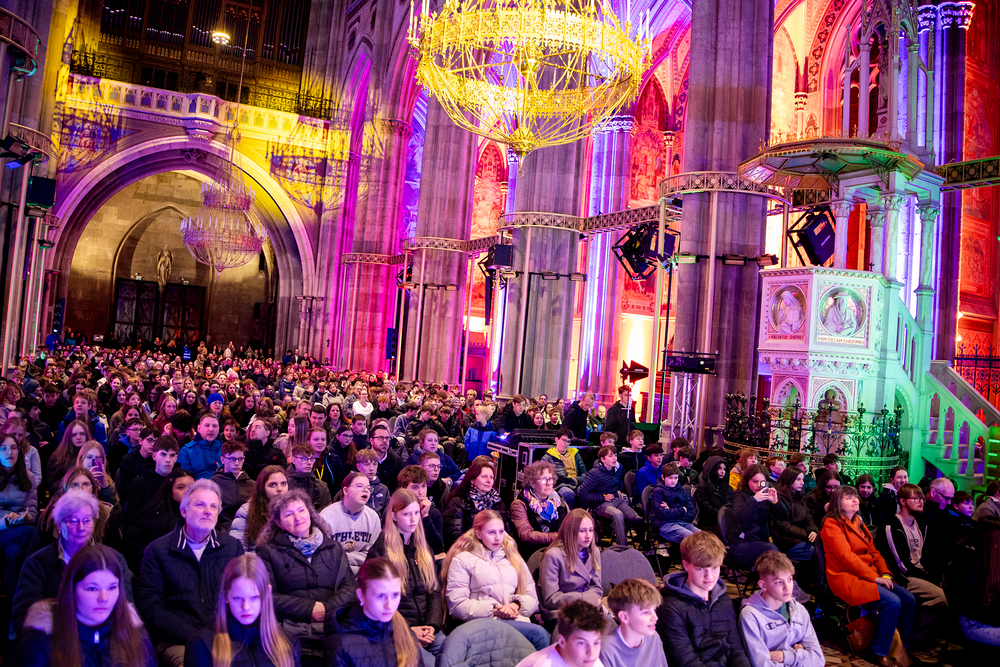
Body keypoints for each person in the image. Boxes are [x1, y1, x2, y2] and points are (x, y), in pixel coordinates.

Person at [136, 478, 245, 667]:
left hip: (225, 636)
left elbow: (243, 597)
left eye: (213, 506)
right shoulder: (157, 551)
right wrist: (198, 636)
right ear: (184, 511)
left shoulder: (233, 547)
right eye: (200, 505)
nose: (208, 511)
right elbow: (151, 608)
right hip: (178, 639)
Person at [12, 490, 133, 636]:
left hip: (102, 640)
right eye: (73, 521)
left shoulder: (115, 560)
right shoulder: (37, 564)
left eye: (87, 520)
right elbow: (23, 618)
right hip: (55, 641)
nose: (81, 528)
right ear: (59, 524)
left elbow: (126, 610)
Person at [820, 485, 916, 667]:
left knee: (908, 599)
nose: (855, 499)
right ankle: (878, 651)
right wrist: (875, 578)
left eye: (855, 496)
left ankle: (901, 648)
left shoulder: (858, 521)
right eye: (848, 497)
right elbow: (847, 558)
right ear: (837, 503)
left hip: (867, 574)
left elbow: (874, 552)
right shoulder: (831, 524)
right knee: (892, 602)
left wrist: (885, 573)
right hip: (846, 578)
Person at [17, 544, 156, 667]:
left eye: (112, 587)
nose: (104, 598)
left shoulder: (136, 633)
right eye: (92, 588)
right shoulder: (42, 638)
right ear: (72, 589)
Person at [254, 490, 357, 653]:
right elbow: (267, 596)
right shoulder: (268, 552)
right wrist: (309, 609)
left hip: (332, 630)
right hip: (290, 635)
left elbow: (350, 588)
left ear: (309, 512)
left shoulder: (334, 548)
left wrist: (326, 609)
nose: (298, 517)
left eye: (301, 510)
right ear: (279, 523)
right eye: (289, 514)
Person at [441, 509, 548, 650]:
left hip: (515, 619)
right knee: (539, 635)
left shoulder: (513, 557)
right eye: (491, 532)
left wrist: (516, 605)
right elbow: (457, 604)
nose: (498, 538)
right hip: (481, 623)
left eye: (501, 531)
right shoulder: (462, 560)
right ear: (478, 534)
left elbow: (532, 597)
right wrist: (494, 610)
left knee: (541, 637)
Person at [366, 489, 445, 663]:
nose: (413, 519)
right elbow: (374, 603)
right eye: (407, 514)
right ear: (394, 516)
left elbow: (434, 592)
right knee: (429, 663)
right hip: (396, 632)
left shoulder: (424, 549)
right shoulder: (381, 550)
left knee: (454, 658)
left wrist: (431, 626)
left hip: (428, 629)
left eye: (416, 513)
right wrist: (408, 630)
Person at [184, 553, 301, 667]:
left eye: (254, 598)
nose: (246, 607)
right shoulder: (202, 644)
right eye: (237, 598)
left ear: (267, 593)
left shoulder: (289, 643)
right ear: (226, 595)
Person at [656, 531, 750, 667]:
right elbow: (684, 660)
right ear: (686, 565)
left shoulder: (723, 600)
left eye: (715, 568)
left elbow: (736, 649)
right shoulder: (670, 607)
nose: (709, 576)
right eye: (700, 569)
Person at [876, 483, 948, 638]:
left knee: (949, 592)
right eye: (915, 499)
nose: (920, 502)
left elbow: (926, 557)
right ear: (903, 501)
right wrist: (927, 577)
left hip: (919, 573)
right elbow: (900, 564)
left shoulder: (922, 526)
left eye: (922, 499)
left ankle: (915, 631)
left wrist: (935, 575)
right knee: (940, 597)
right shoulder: (891, 526)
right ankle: (910, 635)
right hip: (902, 576)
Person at [324, 558, 421, 667]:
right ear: (361, 595)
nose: (389, 606)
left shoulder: (407, 635)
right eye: (380, 596)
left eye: (395, 595)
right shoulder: (340, 643)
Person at [738, 551, 824, 667]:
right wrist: (801, 657)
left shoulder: (799, 610)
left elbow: (819, 660)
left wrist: (781, 656)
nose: (787, 588)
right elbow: (761, 663)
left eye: (790, 579)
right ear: (763, 585)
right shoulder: (750, 616)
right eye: (779, 582)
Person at [538, 508, 603, 626]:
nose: (588, 536)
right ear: (570, 531)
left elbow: (597, 589)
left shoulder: (595, 552)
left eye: (591, 530)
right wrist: (585, 599)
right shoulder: (553, 555)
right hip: (561, 612)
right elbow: (551, 599)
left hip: (587, 608)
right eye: (582, 531)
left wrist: (589, 601)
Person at [121, 469, 195, 572]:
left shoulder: (202, 516)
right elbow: (131, 540)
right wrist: (153, 563)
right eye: (181, 487)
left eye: (191, 488)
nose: (187, 492)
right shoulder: (155, 517)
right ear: (170, 491)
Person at [945, 518, 1000, 647]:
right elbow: (965, 605)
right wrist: (996, 618)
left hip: (985, 617)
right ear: (991, 539)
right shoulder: (969, 559)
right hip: (972, 622)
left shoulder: (986, 557)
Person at [0, 433, 39, 614]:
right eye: (4, 448)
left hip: (16, 533)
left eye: (13, 447)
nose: (9, 452)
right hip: (6, 530)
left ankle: (13, 613)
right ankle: (38, 578)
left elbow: (33, 513)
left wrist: (24, 517)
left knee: (14, 552)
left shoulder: (28, 477)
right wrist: (8, 521)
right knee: (29, 533)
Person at [318, 472, 382, 573]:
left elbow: (372, 555)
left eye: (368, 488)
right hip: (333, 572)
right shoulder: (326, 516)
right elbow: (325, 555)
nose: (365, 490)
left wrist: (344, 557)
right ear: (345, 490)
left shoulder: (373, 518)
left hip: (364, 572)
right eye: (360, 486)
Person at [578, 445, 641, 547]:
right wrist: (603, 497)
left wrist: (618, 490)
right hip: (600, 505)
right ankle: (623, 547)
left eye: (615, 455)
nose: (614, 458)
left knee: (635, 518)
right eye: (610, 456)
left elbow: (614, 483)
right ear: (603, 459)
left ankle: (645, 544)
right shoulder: (594, 473)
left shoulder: (613, 469)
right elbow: (582, 493)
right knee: (617, 514)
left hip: (616, 500)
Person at [443, 455, 508, 548]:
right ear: (472, 480)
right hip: (468, 551)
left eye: (491, 477)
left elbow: (508, 533)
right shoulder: (458, 502)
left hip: (495, 550)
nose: (489, 481)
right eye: (484, 477)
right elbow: (453, 538)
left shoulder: (498, 502)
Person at [515, 600, 604, 667]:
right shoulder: (545, 664)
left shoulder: (589, 661)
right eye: (581, 643)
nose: (591, 652)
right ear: (562, 642)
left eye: (596, 643)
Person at [599, 579, 667, 667]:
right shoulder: (605, 650)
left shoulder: (654, 637)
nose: (655, 618)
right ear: (624, 617)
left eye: (654, 610)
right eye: (646, 612)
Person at [726, 463, 780, 568]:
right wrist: (755, 500)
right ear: (747, 481)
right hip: (739, 543)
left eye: (762, 482)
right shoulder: (740, 494)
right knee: (772, 552)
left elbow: (783, 517)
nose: (759, 485)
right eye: (755, 481)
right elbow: (737, 516)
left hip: (760, 541)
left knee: (775, 551)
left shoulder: (766, 495)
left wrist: (776, 502)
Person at [511, 460, 567, 556]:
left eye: (550, 479)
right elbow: (526, 535)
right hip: (535, 554)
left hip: (560, 550)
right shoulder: (519, 504)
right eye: (543, 480)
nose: (548, 483)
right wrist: (556, 537)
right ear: (532, 483)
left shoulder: (558, 500)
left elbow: (570, 523)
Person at [124, 435, 181, 527]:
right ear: (154, 456)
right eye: (163, 454)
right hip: (146, 531)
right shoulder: (141, 483)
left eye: (172, 455)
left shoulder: (180, 482)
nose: (168, 460)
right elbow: (132, 519)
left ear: (176, 458)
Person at [230, 465, 289, 550]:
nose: (279, 489)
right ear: (262, 488)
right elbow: (237, 550)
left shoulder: (294, 510)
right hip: (256, 557)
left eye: (283, 483)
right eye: (272, 485)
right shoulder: (247, 511)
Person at [770, 466, 818, 562]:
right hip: (784, 538)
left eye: (802, 479)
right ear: (789, 480)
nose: (802, 483)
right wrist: (806, 534)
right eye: (798, 479)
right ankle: (782, 559)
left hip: (799, 536)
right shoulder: (777, 497)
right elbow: (783, 525)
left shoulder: (800, 496)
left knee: (820, 547)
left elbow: (808, 517)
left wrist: (812, 530)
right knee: (813, 551)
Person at [649, 462, 700, 544]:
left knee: (702, 536)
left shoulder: (681, 490)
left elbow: (691, 513)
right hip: (664, 524)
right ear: (663, 477)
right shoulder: (658, 491)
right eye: (670, 478)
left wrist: (671, 509)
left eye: (676, 478)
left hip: (682, 522)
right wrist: (683, 509)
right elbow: (663, 514)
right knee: (689, 536)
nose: (673, 481)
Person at [211, 440, 254, 531]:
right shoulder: (213, 484)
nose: (237, 463)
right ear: (222, 460)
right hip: (222, 530)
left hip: (248, 529)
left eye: (240, 459)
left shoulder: (252, 485)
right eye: (232, 459)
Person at [541, 430, 587, 508]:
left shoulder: (575, 454)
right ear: (556, 440)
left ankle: (583, 514)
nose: (566, 443)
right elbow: (545, 477)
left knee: (587, 492)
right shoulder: (548, 457)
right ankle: (568, 515)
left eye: (568, 441)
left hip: (575, 482)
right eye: (564, 440)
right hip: (561, 485)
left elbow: (584, 473)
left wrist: (577, 480)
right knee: (567, 493)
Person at [285, 443, 333, 510]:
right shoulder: (284, 484)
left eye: (312, 458)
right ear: (294, 460)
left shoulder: (322, 486)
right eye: (304, 459)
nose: (309, 462)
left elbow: (326, 512)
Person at [178, 413, 223, 480]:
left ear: (218, 429)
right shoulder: (186, 451)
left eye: (214, 426)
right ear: (199, 428)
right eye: (207, 425)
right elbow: (185, 479)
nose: (211, 429)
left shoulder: (225, 450)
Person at [694, 455, 732, 532]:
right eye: (719, 468)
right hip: (709, 523)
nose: (722, 471)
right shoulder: (702, 488)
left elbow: (731, 504)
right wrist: (724, 516)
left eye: (724, 469)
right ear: (711, 469)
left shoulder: (727, 488)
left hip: (726, 521)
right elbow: (708, 509)